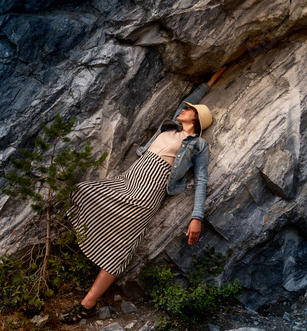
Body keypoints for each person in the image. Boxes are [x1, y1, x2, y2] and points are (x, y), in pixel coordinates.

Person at [59, 66, 226, 324]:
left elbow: (201, 180)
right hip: (130, 179)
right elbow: (192, 97)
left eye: (189, 109)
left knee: (121, 247)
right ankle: (76, 260)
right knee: (84, 192)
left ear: (195, 120)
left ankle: (87, 303)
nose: (183, 108)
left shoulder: (198, 145)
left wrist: (197, 217)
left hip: (148, 191)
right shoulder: (170, 126)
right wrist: (212, 80)